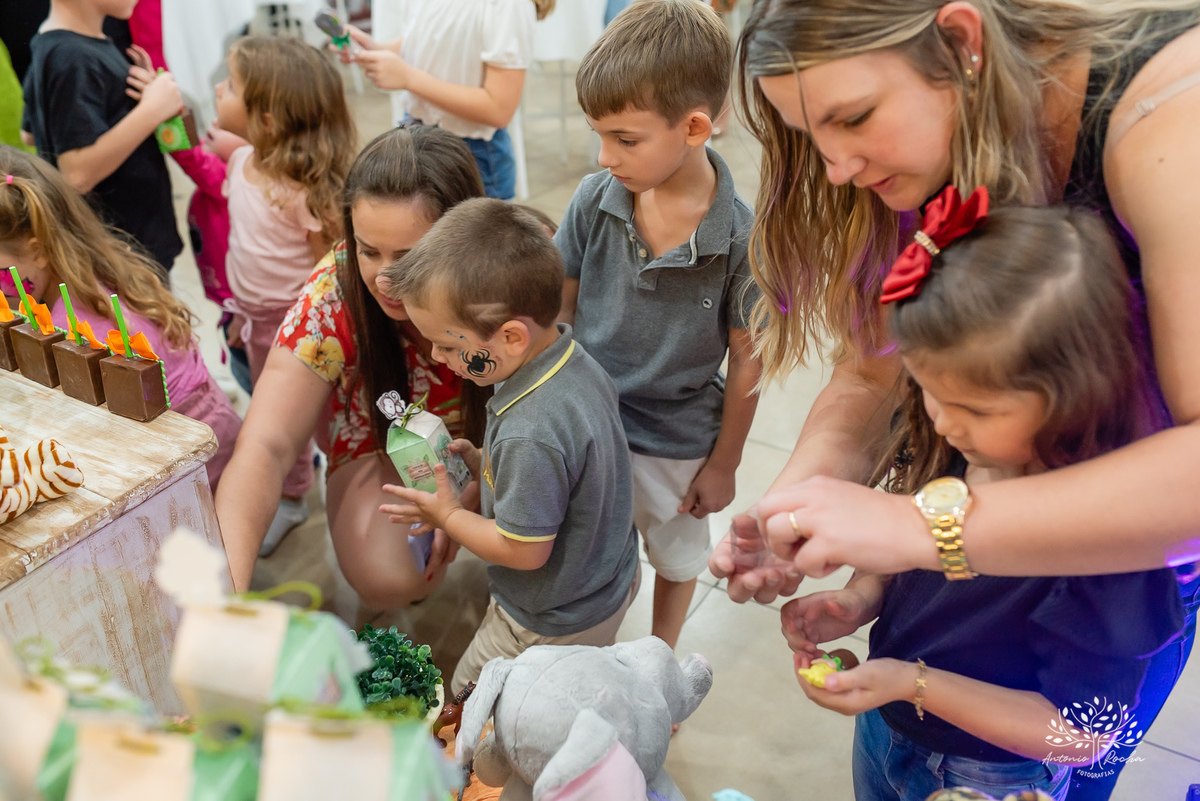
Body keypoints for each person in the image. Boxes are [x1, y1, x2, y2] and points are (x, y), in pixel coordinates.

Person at [709, 5, 1200, 796]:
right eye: (810, 137)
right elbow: (872, 375)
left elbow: (1080, 730)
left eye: (854, 118)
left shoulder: (1170, 122)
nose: (835, 169)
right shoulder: (922, 149)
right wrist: (799, 507)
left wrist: (917, 526)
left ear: (962, 41)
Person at [780, 191, 1184, 800]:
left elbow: (1080, 739)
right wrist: (862, 596)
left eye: (973, 408)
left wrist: (912, 683)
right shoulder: (964, 442)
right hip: (890, 721)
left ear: (1075, 393)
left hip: (995, 774)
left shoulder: (1115, 553)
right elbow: (914, 548)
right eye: (929, 392)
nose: (943, 422)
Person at [555, 0, 761, 650]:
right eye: (598, 134)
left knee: (676, 558)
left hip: (677, 441)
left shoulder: (743, 239)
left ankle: (661, 655)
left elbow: (749, 360)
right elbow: (559, 308)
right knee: (590, 548)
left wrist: (724, 464)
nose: (604, 155)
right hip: (591, 423)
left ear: (694, 127)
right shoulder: (593, 199)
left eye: (625, 139)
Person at [216, 125, 490, 608]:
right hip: (385, 440)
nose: (384, 278)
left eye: (409, 257)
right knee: (390, 574)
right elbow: (266, 445)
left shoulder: (512, 267)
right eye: (367, 250)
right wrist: (223, 591)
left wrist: (488, 479)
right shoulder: (331, 297)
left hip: (494, 437)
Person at [378, 198, 641, 694]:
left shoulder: (529, 430)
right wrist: (486, 464)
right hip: (606, 580)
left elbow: (523, 551)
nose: (437, 355)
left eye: (450, 345)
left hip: (546, 620)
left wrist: (447, 516)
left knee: (467, 709)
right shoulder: (571, 358)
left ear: (512, 337)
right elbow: (571, 471)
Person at [0, 145, 241, 489]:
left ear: (38, 252)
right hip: (207, 437)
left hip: (199, 468)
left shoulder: (80, 334)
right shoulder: (94, 269)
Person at [214, 36, 356, 551]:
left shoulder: (301, 191)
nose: (218, 89)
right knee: (269, 412)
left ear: (268, 119)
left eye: (231, 86)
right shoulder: (241, 161)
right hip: (254, 318)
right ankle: (294, 491)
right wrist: (240, 312)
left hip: (301, 328)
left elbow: (330, 271)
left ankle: (311, 492)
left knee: (310, 418)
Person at [20, 0, 183, 276]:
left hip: (130, 248)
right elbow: (76, 174)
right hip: (124, 257)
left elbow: (30, 133)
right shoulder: (73, 57)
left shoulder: (52, 41)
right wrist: (151, 111)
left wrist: (147, 101)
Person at [345, 0, 555, 200]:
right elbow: (428, 40)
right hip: (418, 137)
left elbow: (499, 109)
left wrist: (408, 78)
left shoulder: (509, 6)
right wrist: (375, 50)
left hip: (474, 155)